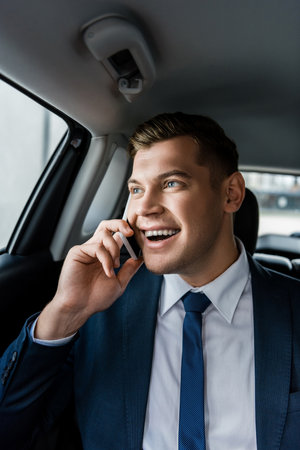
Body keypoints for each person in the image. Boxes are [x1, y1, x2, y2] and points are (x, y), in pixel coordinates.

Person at [1, 112, 300, 450]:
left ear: (231, 194)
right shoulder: (97, 314)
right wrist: (65, 311)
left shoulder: (293, 308)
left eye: (171, 183)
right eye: (136, 189)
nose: (144, 208)